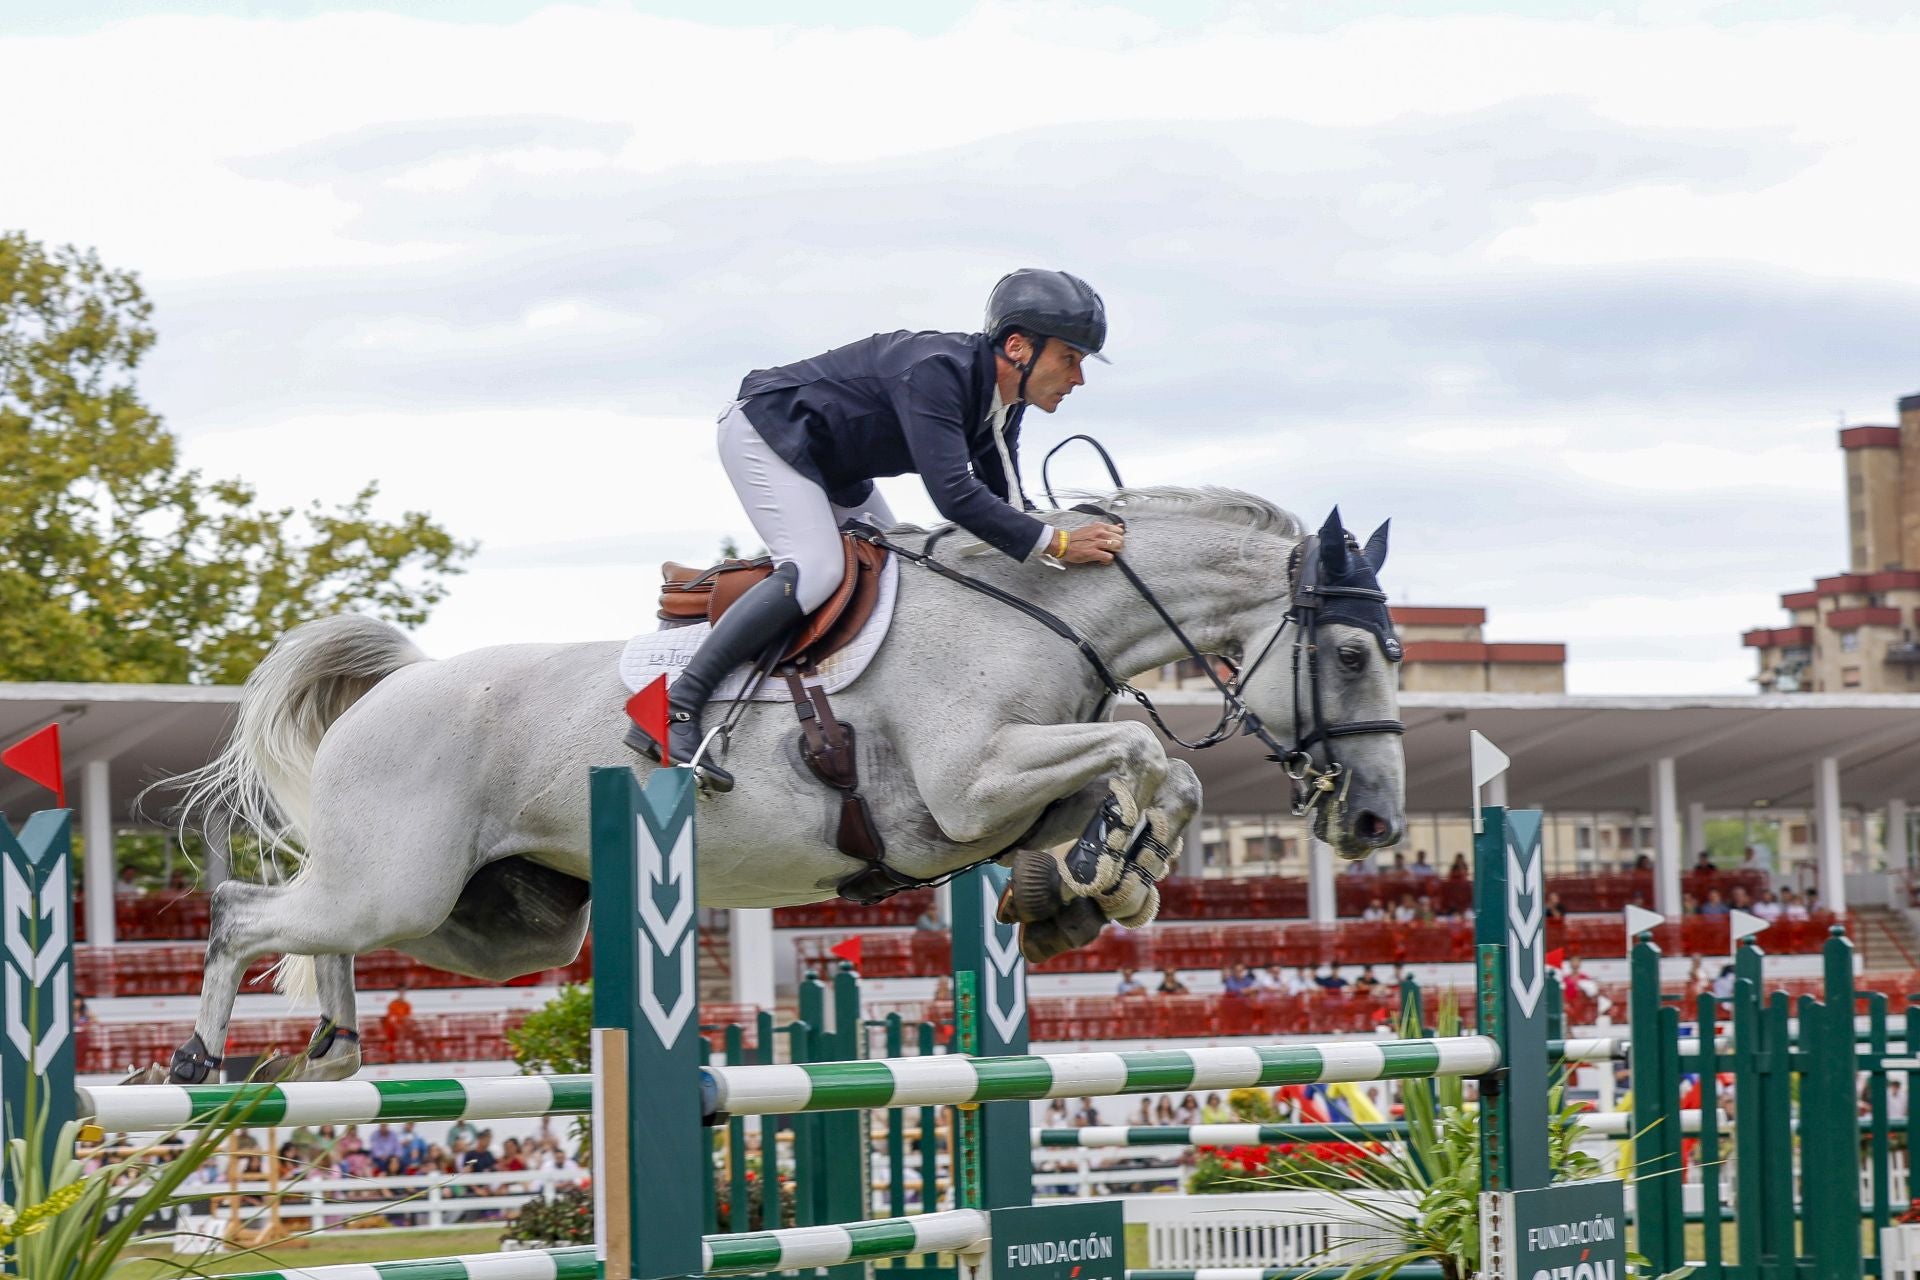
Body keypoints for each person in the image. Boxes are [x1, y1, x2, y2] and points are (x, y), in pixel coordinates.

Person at [625, 269, 1118, 791]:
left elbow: (1010, 506)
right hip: (768, 431)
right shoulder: (938, 372)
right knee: (817, 570)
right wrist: (1060, 544)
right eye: (1070, 358)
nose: (1078, 378)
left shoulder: (1002, 403)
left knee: (912, 575)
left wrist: (1064, 542)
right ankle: (673, 708)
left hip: (834, 464)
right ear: (1019, 346)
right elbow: (955, 496)